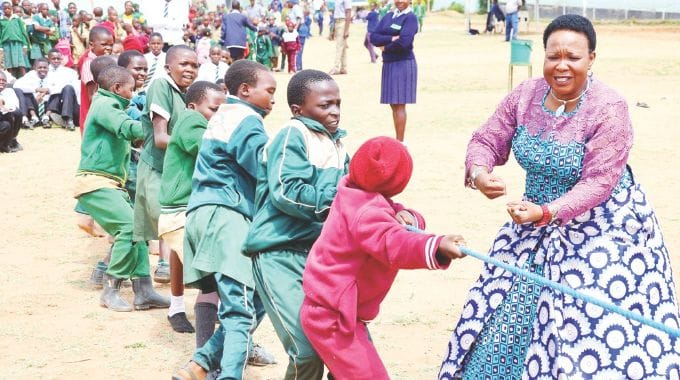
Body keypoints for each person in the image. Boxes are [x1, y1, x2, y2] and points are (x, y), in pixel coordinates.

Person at [438, 15, 680, 379]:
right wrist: (480, 173)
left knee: (588, 332)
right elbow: (486, 139)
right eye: (554, 56)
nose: (561, 65)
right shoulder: (525, 95)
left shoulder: (609, 106)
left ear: (592, 59)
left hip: (601, 228)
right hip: (532, 225)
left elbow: (600, 182)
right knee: (503, 316)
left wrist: (547, 212)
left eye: (573, 57)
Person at [301, 136, 466, 379]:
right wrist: (436, 246)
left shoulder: (352, 191)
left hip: (332, 309)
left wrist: (408, 215)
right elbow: (394, 243)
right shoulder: (368, 214)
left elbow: (393, 214)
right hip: (333, 318)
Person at [173, 60, 278, 380]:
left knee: (259, 292)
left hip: (205, 214)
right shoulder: (246, 119)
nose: (274, 99)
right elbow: (266, 174)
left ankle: (201, 362)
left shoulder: (224, 116)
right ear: (245, 90)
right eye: (270, 91)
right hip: (225, 216)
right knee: (238, 312)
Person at [242, 69, 349, 380]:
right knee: (307, 349)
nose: (335, 111)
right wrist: (338, 200)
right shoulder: (293, 134)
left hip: (320, 256)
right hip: (279, 251)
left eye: (338, 103)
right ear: (298, 110)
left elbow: (360, 192)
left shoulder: (339, 145)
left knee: (341, 346)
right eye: (325, 105)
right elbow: (287, 192)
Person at [74, 65, 169, 312]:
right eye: (131, 89)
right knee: (128, 228)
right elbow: (128, 128)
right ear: (117, 88)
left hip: (109, 183)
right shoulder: (105, 105)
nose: (132, 92)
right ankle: (110, 288)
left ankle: (144, 290)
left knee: (139, 231)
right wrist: (160, 127)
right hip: (95, 182)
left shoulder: (113, 104)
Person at [158, 81, 224, 334]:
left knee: (184, 255)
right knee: (214, 278)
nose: (218, 116)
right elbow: (212, 151)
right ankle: (217, 346)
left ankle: (177, 307)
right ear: (192, 106)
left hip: (187, 209)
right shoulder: (191, 122)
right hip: (180, 211)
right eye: (214, 109)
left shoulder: (200, 121)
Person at [133, 45, 197, 291]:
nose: (190, 69)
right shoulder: (162, 87)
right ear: (168, 66)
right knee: (163, 222)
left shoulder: (185, 93)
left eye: (194, 65)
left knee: (165, 224)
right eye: (184, 64)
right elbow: (161, 139)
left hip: (174, 169)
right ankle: (111, 273)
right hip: (157, 167)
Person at [370, 0, 418, 143]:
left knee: (399, 104)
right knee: (393, 104)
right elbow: (373, 37)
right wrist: (391, 38)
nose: (400, 1)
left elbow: (405, 42)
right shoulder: (389, 16)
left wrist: (385, 47)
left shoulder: (410, 18)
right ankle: (398, 140)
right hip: (389, 64)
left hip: (403, 64)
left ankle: (400, 143)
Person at [79, 26, 114, 134]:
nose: (108, 48)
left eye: (111, 45)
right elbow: (92, 96)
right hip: (92, 115)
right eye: (104, 44)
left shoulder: (105, 61)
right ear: (91, 45)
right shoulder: (89, 64)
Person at [44, 49, 79, 130]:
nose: (56, 61)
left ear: (61, 59)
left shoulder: (70, 72)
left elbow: (76, 90)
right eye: (53, 59)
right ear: (48, 59)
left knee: (68, 88)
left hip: (69, 103)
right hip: (51, 104)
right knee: (57, 92)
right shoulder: (43, 71)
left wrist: (53, 89)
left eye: (58, 58)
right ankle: (67, 120)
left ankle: (67, 118)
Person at [13, 58, 50, 128]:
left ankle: (46, 118)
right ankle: (34, 117)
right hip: (33, 105)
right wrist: (36, 89)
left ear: (48, 68)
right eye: (40, 67)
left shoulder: (52, 76)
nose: (42, 70)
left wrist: (44, 93)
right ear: (35, 68)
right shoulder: (30, 75)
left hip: (47, 105)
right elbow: (16, 85)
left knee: (55, 95)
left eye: (45, 67)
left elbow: (57, 88)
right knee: (26, 92)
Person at [0, 1, 31, 78]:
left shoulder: (17, 19)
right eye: (5, 8)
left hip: (18, 44)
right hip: (6, 44)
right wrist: (0, 47)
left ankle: (25, 79)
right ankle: (10, 80)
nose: (7, 10)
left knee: (21, 63)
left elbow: (23, 32)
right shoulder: (1, 20)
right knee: (8, 63)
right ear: (2, 10)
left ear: (11, 9)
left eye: (9, 8)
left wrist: (25, 45)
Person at [0, 71, 23, 153]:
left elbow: (14, 106)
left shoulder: (9, 91)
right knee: (5, 125)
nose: (1, 82)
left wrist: (3, 105)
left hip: (5, 116)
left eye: (4, 80)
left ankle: (10, 141)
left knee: (17, 113)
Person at [328, 0, 350, 75]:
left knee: (339, 45)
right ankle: (343, 68)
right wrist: (333, 29)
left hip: (342, 22)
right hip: (336, 22)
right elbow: (335, 13)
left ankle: (336, 68)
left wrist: (346, 29)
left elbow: (348, 12)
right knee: (342, 46)